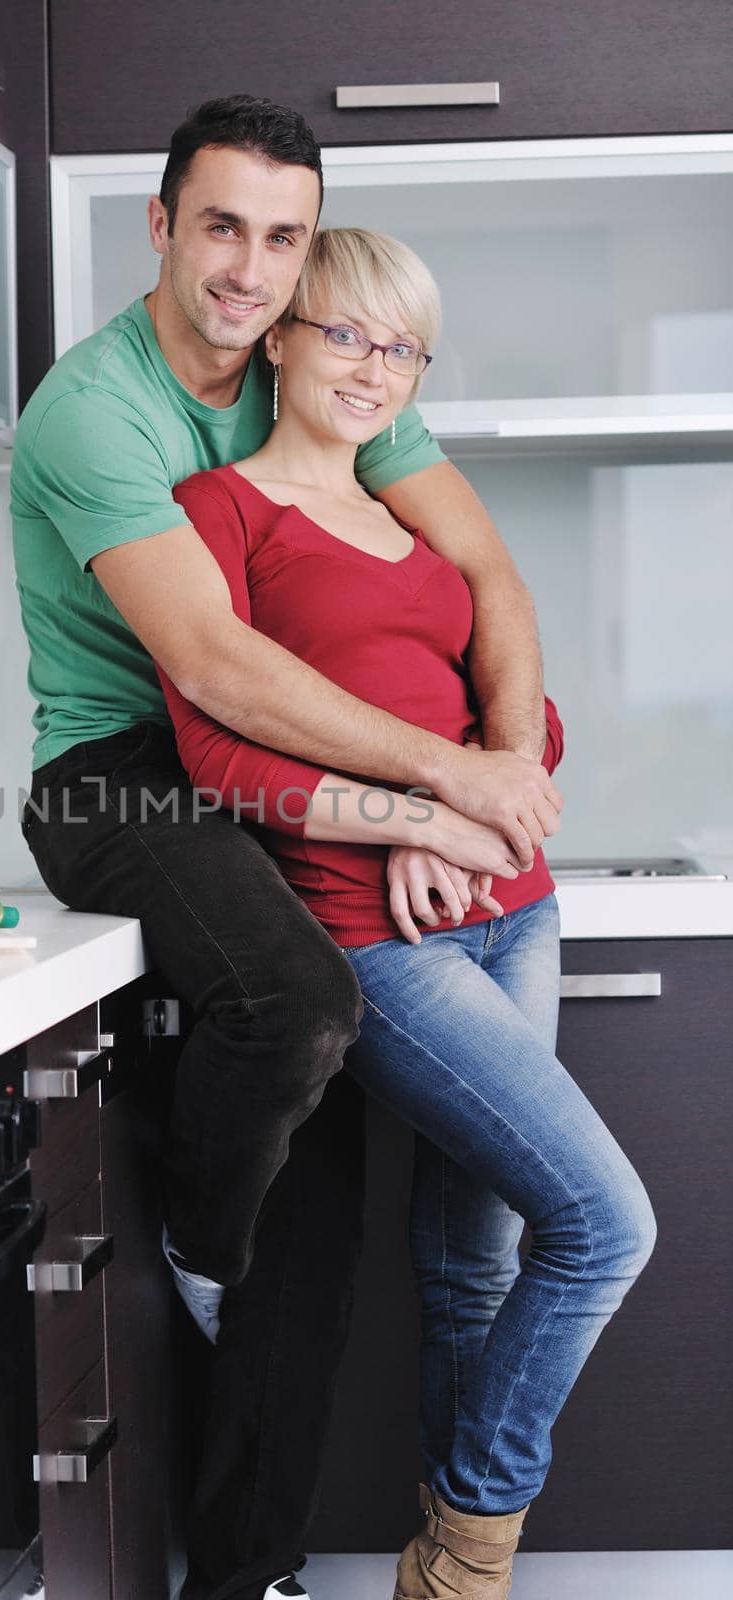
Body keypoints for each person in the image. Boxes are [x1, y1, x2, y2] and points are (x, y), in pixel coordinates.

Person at [12, 94, 562, 1600]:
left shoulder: (316, 362)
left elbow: (486, 572)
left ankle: (243, 1572)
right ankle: (195, 1233)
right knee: (302, 1009)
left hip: (306, 769)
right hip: (122, 770)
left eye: (283, 237)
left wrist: (502, 772)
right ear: (163, 227)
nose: (250, 268)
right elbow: (216, 674)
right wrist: (437, 785)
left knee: (309, 1228)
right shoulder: (96, 411)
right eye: (222, 228)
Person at [153, 224, 657, 1598]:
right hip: (372, 937)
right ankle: (472, 1554)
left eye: (405, 345)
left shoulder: (415, 513)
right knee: (605, 1226)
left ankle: (441, 1579)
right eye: (350, 333)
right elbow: (222, 757)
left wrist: (498, 785)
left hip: (517, 911)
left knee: (476, 1269)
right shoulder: (222, 514)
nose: (379, 369)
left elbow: (528, 717)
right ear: (281, 337)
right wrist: (407, 826)